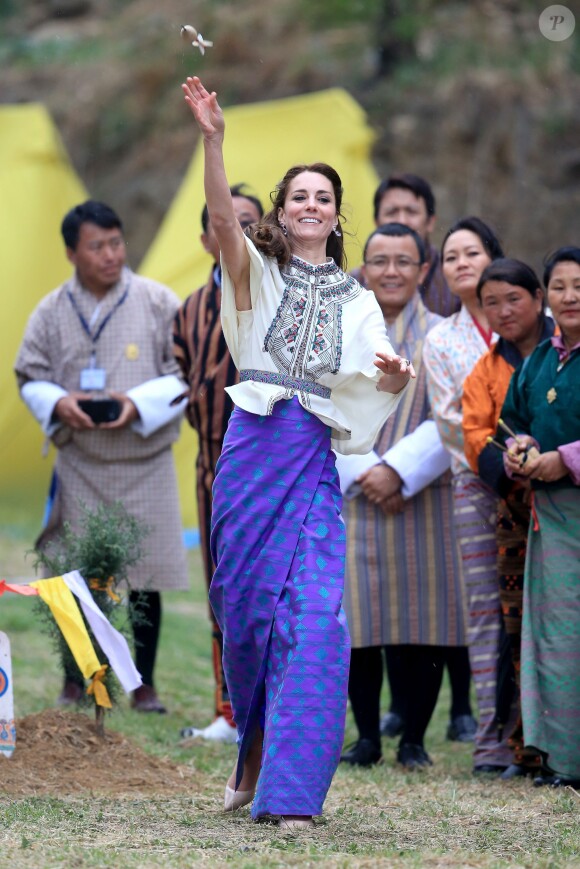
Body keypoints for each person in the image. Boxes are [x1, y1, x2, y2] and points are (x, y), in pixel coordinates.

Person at [182, 75, 413, 828]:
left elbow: (378, 363)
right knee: (244, 618)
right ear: (282, 211)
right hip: (252, 449)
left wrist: (394, 372)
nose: (310, 205)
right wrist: (214, 142)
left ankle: (292, 794)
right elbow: (221, 215)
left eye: (323, 196)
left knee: (314, 621)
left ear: (337, 213)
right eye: (299, 196)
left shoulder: (356, 298)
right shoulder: (256, 273)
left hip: (312, 459)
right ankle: (252, 747)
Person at [14, 200, 189, 713]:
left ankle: (145, 684)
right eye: (98, 246)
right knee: (75, 575)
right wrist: (58, 402)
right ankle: (75, 679)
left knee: (147, 576)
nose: (111, 255)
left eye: (117, 243)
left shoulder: (158, 301)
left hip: (145, 459)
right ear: (72, 252)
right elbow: (29, 373)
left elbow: (183, 375)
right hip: (81, 464)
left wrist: (137, 404)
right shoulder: (49, 310)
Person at [336, 223, 467, 770]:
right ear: (363, 269)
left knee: (424, 622)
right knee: (360, 624)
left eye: (403, 262)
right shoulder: (340, 330)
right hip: (355, 494)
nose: (391, 272)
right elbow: (324, 405)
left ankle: (413, 737)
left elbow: (457, 414)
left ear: (423, 269)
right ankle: (366, 736)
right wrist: (370, 470)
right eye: (379, 261)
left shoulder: (443, 333)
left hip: (425, 493)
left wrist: (398, 471)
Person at [423, 217, 519, 775]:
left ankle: (542, 734)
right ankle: (491, 740)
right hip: (476, 486)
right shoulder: (440, 339)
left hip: (545, 485)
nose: (461, 262)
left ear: (494, 257)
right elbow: (450, 422)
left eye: (472, 251)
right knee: (485, 612)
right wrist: (503, 467)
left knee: (536, 609)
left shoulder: (536, 324)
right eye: (451, 255)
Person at [174, 184, 264, 744]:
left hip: (267, 464)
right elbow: (179, 378)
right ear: (208, 236)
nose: (235, 229)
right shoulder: (188, 309)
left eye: (248, 220)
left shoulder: (271, 293)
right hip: (212, 467)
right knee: (220, 586)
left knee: (266, 586)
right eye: (224, 220)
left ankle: (267, 707)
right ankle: (227, 710)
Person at [462, 258, 555, 779]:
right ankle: (524, 746)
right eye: (490, 302)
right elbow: (477, 435)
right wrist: (512, 465)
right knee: (517, 625)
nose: (502, 311)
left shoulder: (562, 356)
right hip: (516, 509)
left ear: (538, 298)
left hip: (567, 496)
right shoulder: (487, 369)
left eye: (513, 299)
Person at [500, 246, 580, 789]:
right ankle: (562, 759)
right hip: (550, 520)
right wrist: (522, 449)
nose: (570, 297)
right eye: (560, 287)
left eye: (579, 286)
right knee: (555, 637)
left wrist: (565, 459)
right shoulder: (538, 360)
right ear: (546, 296)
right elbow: (513, 419)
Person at [351, 173, 461, 318]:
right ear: (376, 222)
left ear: (430, 222)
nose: (401, 220)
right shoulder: (353, 285)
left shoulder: (454, 279)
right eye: (392, 212)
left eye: (411, 212)